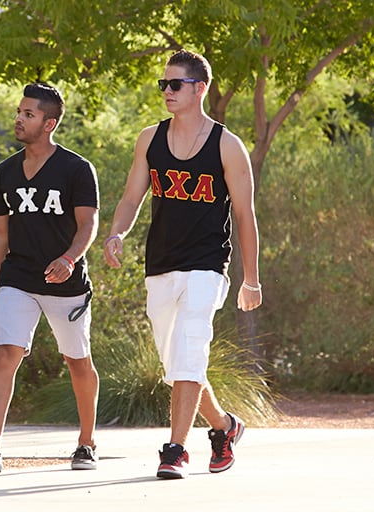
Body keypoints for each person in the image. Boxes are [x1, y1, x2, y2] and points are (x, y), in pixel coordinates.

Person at [104, 49, 262, 480]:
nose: (167, 92)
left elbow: (245, 216)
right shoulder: (149, 139)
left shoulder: (227, 146)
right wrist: (117, 231)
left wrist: (251, 278)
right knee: (178, 365)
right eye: (164, 85)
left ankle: (174, 450)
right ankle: (225, 427)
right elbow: (132, 196)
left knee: (191, 348)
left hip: (208, 265)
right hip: (161, 264)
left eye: (175, 85)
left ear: (200, 88)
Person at [0, 82, 100, 474]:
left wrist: (70, 258)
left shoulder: (77, 169)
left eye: (29, 114)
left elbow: (88, 224)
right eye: (20, 112)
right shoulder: (4, 172)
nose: (19, 118)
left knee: (77, 362)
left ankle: (87, 443)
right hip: (17, 278)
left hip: (65, 283)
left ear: (49, 123)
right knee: (5, 354)